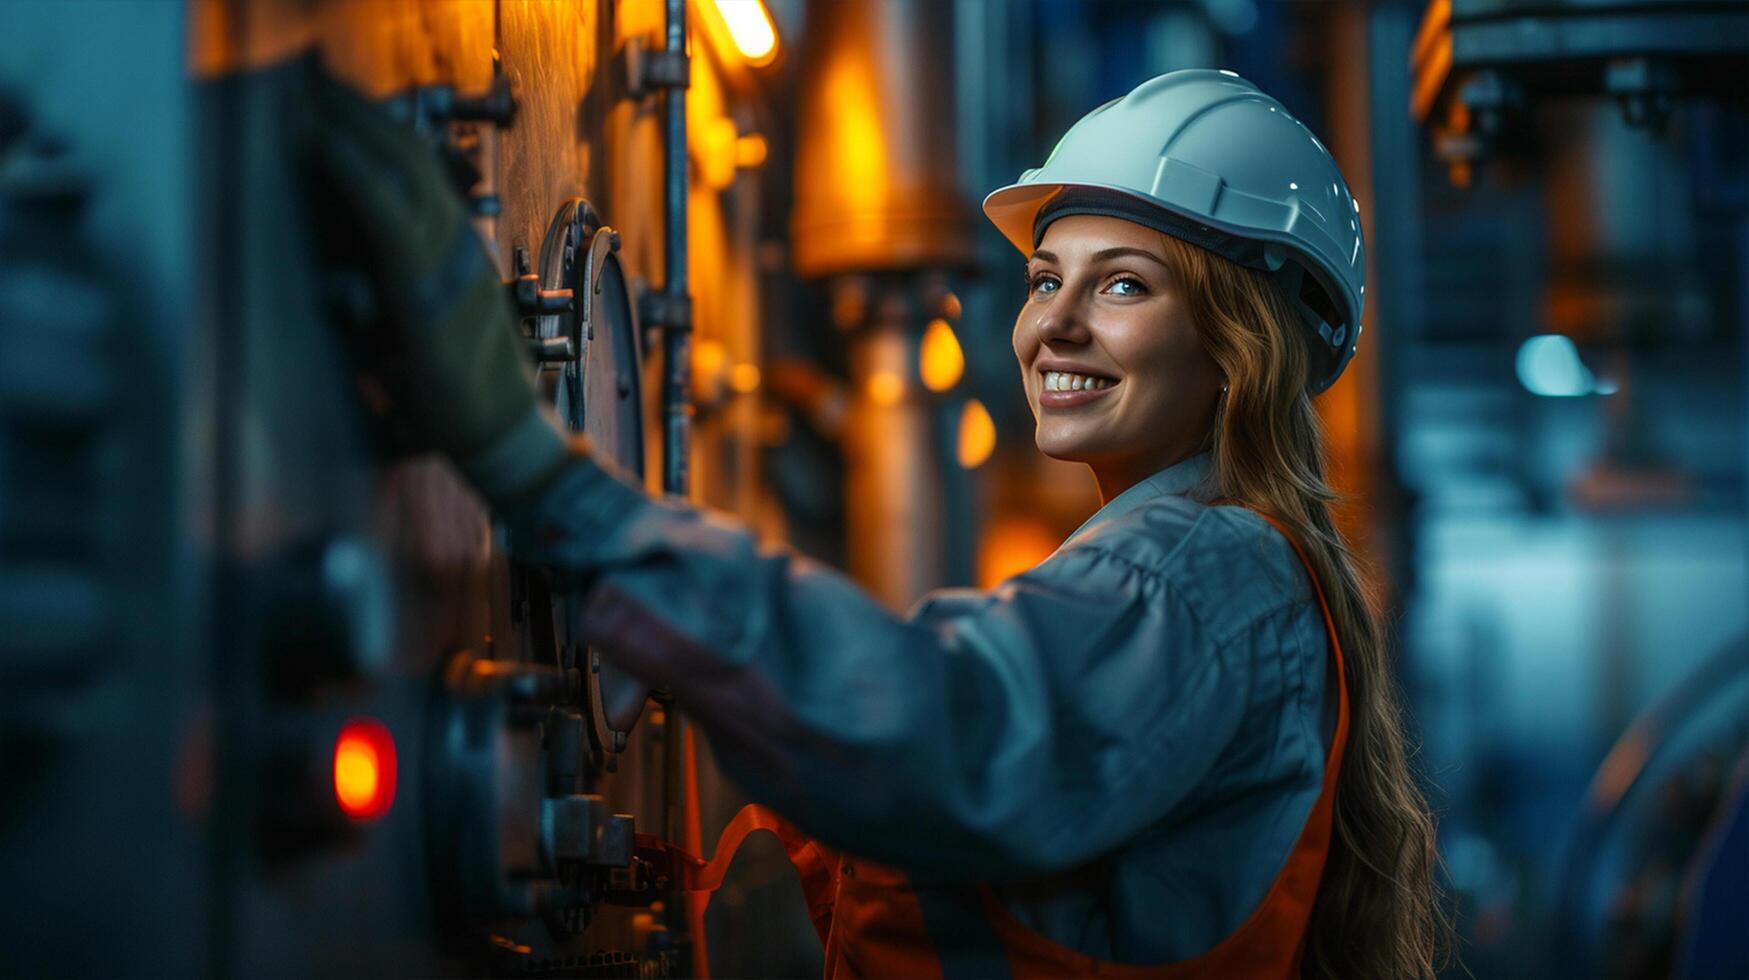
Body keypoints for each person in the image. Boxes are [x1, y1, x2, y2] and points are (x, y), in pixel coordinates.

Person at [307, 67, 1444, 979]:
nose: (1053, 325)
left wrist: (543, 476)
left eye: (1124, 284)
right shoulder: (1214, 570)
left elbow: (939, 735)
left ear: (1240, 340)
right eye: (1048, 277)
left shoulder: (1204, 565)